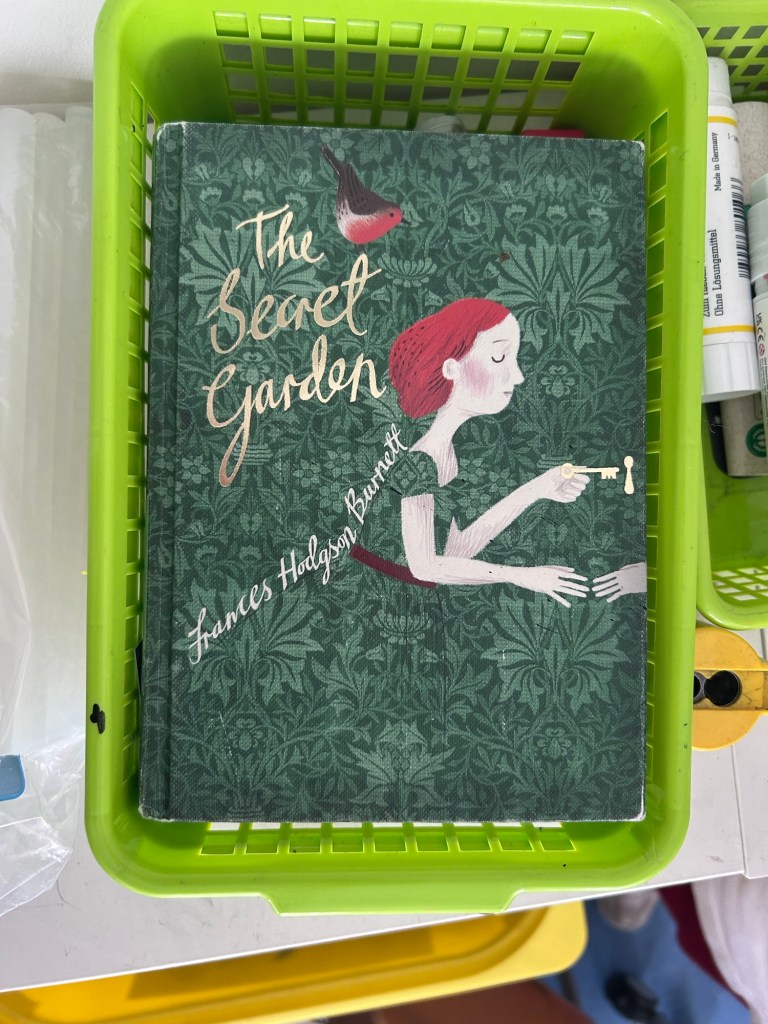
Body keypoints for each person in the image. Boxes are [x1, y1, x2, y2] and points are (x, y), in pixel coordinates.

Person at [349, 297, 592, 607]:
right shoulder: (422, 460)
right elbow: (424, 566)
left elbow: (454, 552)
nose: (517, 376)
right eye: (500, 357)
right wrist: (521, 575)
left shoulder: (446, 453)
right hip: (372, 603)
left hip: (403, 603)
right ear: (452, 368)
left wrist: (538, 489)